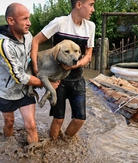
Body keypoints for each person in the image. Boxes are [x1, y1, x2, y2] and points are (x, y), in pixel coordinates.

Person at [0, 3, 59, 145]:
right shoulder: (3, 46)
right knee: (9, 122)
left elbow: (34, 55)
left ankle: (33, 155)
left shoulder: (28, 35)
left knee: (31, 125)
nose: (29, 23)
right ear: (11, 21)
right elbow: (19, 77)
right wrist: (47, 84)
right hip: (6, 92)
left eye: (29, 18)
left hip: (24, 91)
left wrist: (52, 69)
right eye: (24, 19)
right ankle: (7, 147)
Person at [31, 0, 96, 140]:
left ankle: (65, 141)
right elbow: (36, 41)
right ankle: (54, 145)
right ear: (79, 4)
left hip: (78, 79)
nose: (93, 9)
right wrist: (36, 69)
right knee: (58, 119)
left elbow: (88, 55)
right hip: (58, 79)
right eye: (91, 5)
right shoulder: (60, 22)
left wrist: (76, 65)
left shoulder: (90, 26)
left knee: (80, 119)